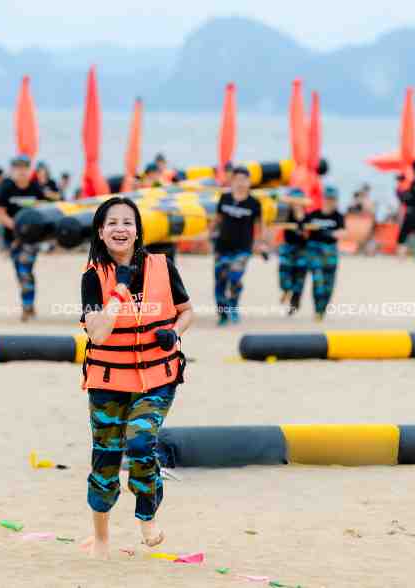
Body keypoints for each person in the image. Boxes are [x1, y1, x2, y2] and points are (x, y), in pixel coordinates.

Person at [79, 196, 193, 559]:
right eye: (112, 223)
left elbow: (187, 311)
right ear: (101, 232)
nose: (120, 229)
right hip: (109, 382)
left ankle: (147, 515)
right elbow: (98, 333)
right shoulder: (92, 276)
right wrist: (120, 289)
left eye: (127, 222)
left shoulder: (162, 266)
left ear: (138, 230)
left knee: (141, 442)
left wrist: (174, 333)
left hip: (157, 378)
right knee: (106, 459)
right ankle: (101, 537)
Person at [208, 165, 264, 325]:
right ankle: (222, 314)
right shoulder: (224, 198)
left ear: (249, 182)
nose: (240, 183)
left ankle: (233, 306)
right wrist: (209, 233)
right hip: (222, 247)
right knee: (220, 279)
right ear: (232, 181)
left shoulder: (254, 203)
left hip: (243, 249)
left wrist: (260, 244)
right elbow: (218, 219)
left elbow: (260, 226)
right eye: (237, 179)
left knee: (235, 277)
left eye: (244, 180)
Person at [0, 155, 46, 321]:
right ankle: (29, 302)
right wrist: (18, 227)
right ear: (13, 170)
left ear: (29, 170)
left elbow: (43, 210)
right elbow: (0, 214)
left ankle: (27, 306)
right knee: (20, 272)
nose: (22, 171)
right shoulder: (6, 188)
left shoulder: (35, 187)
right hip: (12, 238)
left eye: (25, 168)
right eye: (18, 168)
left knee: (25, 269)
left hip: (31, 238)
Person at [302, 187, 346, 320]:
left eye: (333, 199)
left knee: (328, 284)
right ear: (323, 199)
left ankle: (322, 309)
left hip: (330, 253)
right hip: (314, 251)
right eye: (328, 198)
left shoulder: (338, 216)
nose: (330, 201)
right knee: (318, 280)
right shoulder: (313, 215)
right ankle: (317, 309)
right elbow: (302, 227)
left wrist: (329, 233)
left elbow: (343, 232)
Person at [278, 190, 309, 315]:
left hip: (303, 249)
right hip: (287, 248)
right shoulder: (285, 213)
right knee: (284, 274)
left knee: (299, 277)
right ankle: (286, 290)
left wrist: (301, 219)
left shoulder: (308, 216)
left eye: (298, 201)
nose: (296, 204)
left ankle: (294, 302)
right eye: (294, 201)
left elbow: (307, 235)